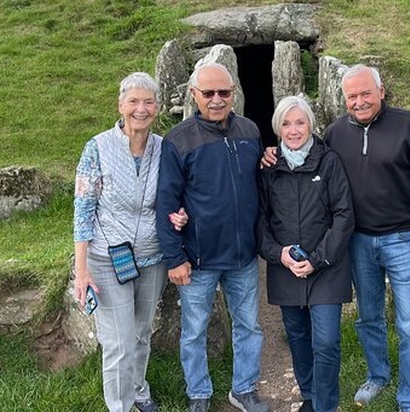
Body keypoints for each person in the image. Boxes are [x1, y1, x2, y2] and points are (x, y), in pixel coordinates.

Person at [326, 64, 410, 412]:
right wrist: (272, 156)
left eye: (366, 93)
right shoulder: (335, 133)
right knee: (368, 317)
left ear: (381, 91)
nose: (360, 101)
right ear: (345, 98)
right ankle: (378, 375)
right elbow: (312, 170)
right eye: (352, 96)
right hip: (358, 241)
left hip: (405, 239)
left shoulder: (408, 126)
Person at [156, 62, 272, 412]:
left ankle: (244, 388)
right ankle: (199, 394)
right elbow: (165, 201)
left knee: (249, 325)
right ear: (194, 95)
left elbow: (259, 182)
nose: (217, 99)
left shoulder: (250, 130)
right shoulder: (179, 139)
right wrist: (174, 258)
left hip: (243, 255)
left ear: (233, 93)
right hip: (199, 257)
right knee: (194, 331)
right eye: (209, 93)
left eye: (224, 92)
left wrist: (269, 156)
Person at [73, 71, 188, 412]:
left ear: (158, 107)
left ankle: (138, 389)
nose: (141, 109)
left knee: (140, 333)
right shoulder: (97, 147)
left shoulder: (165, 148)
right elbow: (83, 210)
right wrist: (82, 271)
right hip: (108, 258)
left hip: (152, 257)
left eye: (148, 102)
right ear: (120, 105)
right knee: (119, 342)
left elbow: (172, 197)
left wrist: (179, 215)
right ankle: (120, 406)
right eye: (134, 101)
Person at [256, 96, 355, 412]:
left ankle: (326, 405)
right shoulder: (269, 168)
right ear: (277, 128)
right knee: (298, 337)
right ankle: (310, 397)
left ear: (311, 124)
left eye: (300, 122)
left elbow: (343, 215)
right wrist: (278, 254)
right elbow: (260, 220)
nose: (294, 130)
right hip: (285, 267)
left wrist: (318, 259)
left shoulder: (329, 162)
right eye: (286, 123)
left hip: (327, 266)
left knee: (326, 341)